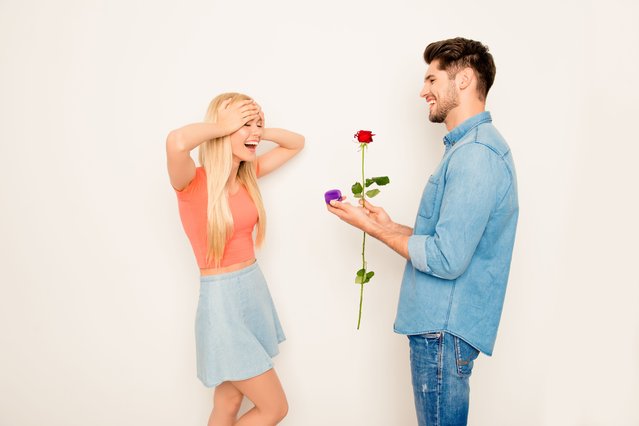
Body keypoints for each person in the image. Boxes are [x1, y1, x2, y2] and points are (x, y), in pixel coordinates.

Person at [327, 37, 518, 425]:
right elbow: (453, 240)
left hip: (442, 333)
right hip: (441, 331)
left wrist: (372, 231)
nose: (422, 91)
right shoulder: (468, 149)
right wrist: (390, 225)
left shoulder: (476, 155)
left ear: (463, 80)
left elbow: (447, 259)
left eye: (432, 79)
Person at [166, 92, 304, 426]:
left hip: (253, 291)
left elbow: (296, 143)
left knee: (228, 403)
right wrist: (224, 126)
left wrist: (257, 131)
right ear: (220, 129)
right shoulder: (191, 182)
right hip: (222, 304)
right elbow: (176, 141)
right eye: (244, 124)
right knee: (275, 408)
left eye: (257, 123)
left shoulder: (248, 175)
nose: (254, 131)